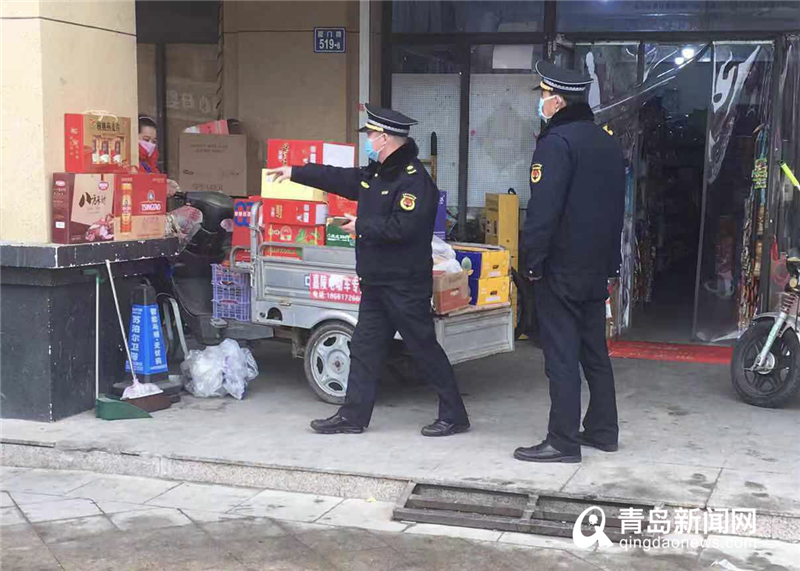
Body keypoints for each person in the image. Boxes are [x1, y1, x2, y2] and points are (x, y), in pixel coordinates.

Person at [265, 104, 470, 437]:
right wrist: (295, 171)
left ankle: (454, 414)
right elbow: (339, 178)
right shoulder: (378, 174)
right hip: (376, 282)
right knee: (363, 348)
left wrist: (361, 225)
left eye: (372, 135)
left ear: (385, 138)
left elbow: (404, 228)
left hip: (404, 284)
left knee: (423, 348)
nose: (369, 140)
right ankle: (353, 416)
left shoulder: (414, 180)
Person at [515, 61, 625, 463]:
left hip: (561, 268)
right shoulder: (606, 142)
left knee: (561, 355)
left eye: (544, 96)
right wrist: (611, 263)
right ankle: (603, 430)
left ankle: (562, 441)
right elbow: (616, 210)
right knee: (594, 352)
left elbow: (543, 211)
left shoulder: (556, 143)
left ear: (558, 102)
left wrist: (532, 262)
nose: (541, 102)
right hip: (595, 268)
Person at [138, 115, 180, 197]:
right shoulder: (130, 161)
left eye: (154, 141)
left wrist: (163, 183)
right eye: (146, 139)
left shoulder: (151, 164)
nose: (150, 144)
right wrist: (159, 187)